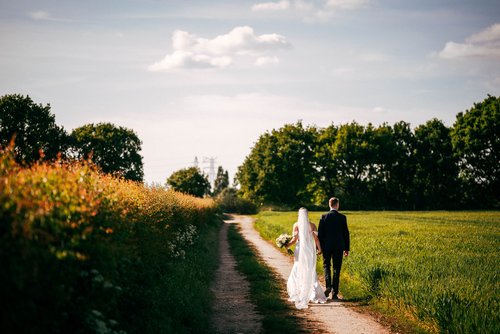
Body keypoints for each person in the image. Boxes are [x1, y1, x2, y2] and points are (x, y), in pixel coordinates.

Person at [286, 207, 327, 309]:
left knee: (297, 267)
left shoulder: (296, 225)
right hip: (309, 249)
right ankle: (313, 292)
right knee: (309, 269)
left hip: (300, 249)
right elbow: (316, 239)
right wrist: (320, 249)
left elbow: (295, 239)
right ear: (307, 214)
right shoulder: (312, 225)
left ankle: (297, 291)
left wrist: (286, 245)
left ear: (299, 215)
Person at [318, 197, 350, 300]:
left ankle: (328, 286)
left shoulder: (324, 216)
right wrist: (347, 248)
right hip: (339, 246)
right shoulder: (342, 217)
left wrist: (319, 248)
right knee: (337, 268)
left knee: (326, 266)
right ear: (337, 205)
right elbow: (346, 233)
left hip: (326, 246)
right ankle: (335, 293)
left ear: (329, 204)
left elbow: (320, 234)